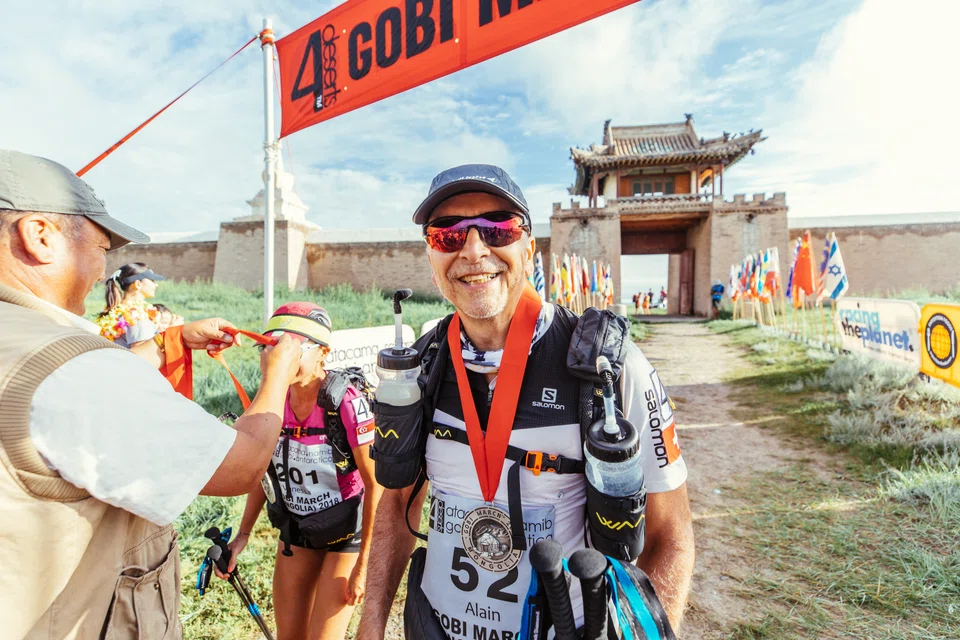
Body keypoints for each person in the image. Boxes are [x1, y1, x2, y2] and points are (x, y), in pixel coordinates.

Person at [357, 164, 694, 640]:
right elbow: (396, 505)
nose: (474, 250)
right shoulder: (422, 366)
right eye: (448, 235)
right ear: (431, 257)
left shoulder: (611, 370)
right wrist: (371, 624)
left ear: (529, 247)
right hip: (432, 627)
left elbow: (670, 538)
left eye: (498, 228)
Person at [0, 149, 303, 639]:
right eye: (101, 246)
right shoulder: (76, 371)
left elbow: (60, 382)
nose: (103, 271)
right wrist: (277, 376)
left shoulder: (29, 343)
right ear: (39, 236)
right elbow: (242, 466)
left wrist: (172, 342)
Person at [221, 302, 383, 640]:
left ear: (322, 352)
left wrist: (366, 565)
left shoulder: (346, 402)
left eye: (292, 349)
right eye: (270, 349)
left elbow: (375, 485)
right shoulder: (272, 399)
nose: (279, 359)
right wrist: (243, 535)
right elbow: (260, 471)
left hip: (345, 533)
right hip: (298, 529)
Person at [96, 262, 165, 347]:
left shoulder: (114, 311)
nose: (156, 285)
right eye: (152, 280)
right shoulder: (135, 316)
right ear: (138, 284)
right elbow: (142, 353)